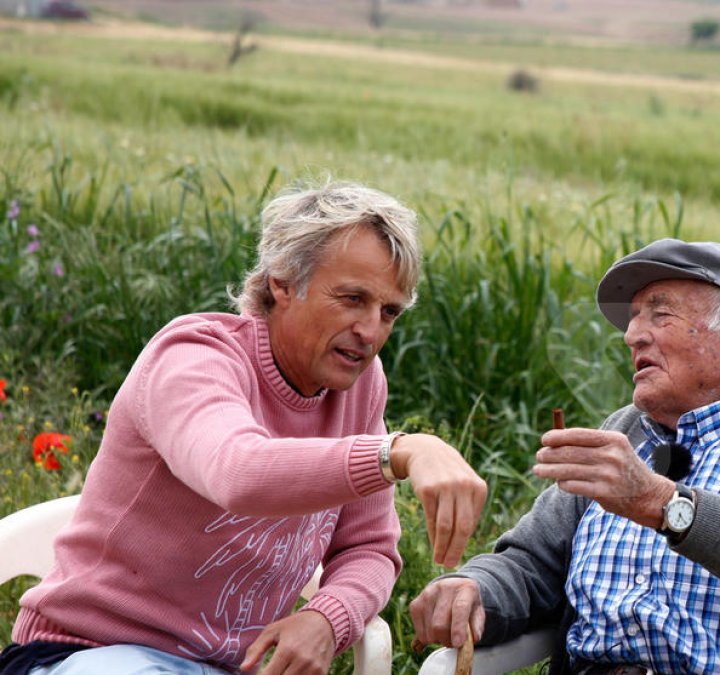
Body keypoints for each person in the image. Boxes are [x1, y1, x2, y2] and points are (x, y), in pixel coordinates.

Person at [1, 181, 488, 675]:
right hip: (84, 651)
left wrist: (326, 617)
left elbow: (370, 548)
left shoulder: (360, 386)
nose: (370, 331)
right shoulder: (193, 356)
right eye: (351, 298)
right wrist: (398, 453)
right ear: (283, 282)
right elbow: (237, 473)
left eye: (389, 312)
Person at [411, 239, 720, 675]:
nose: (632, 335)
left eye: (660, 314)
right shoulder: (624, 430)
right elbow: (532, 563)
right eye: (634, 319)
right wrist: (474, 588)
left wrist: (663, 505)